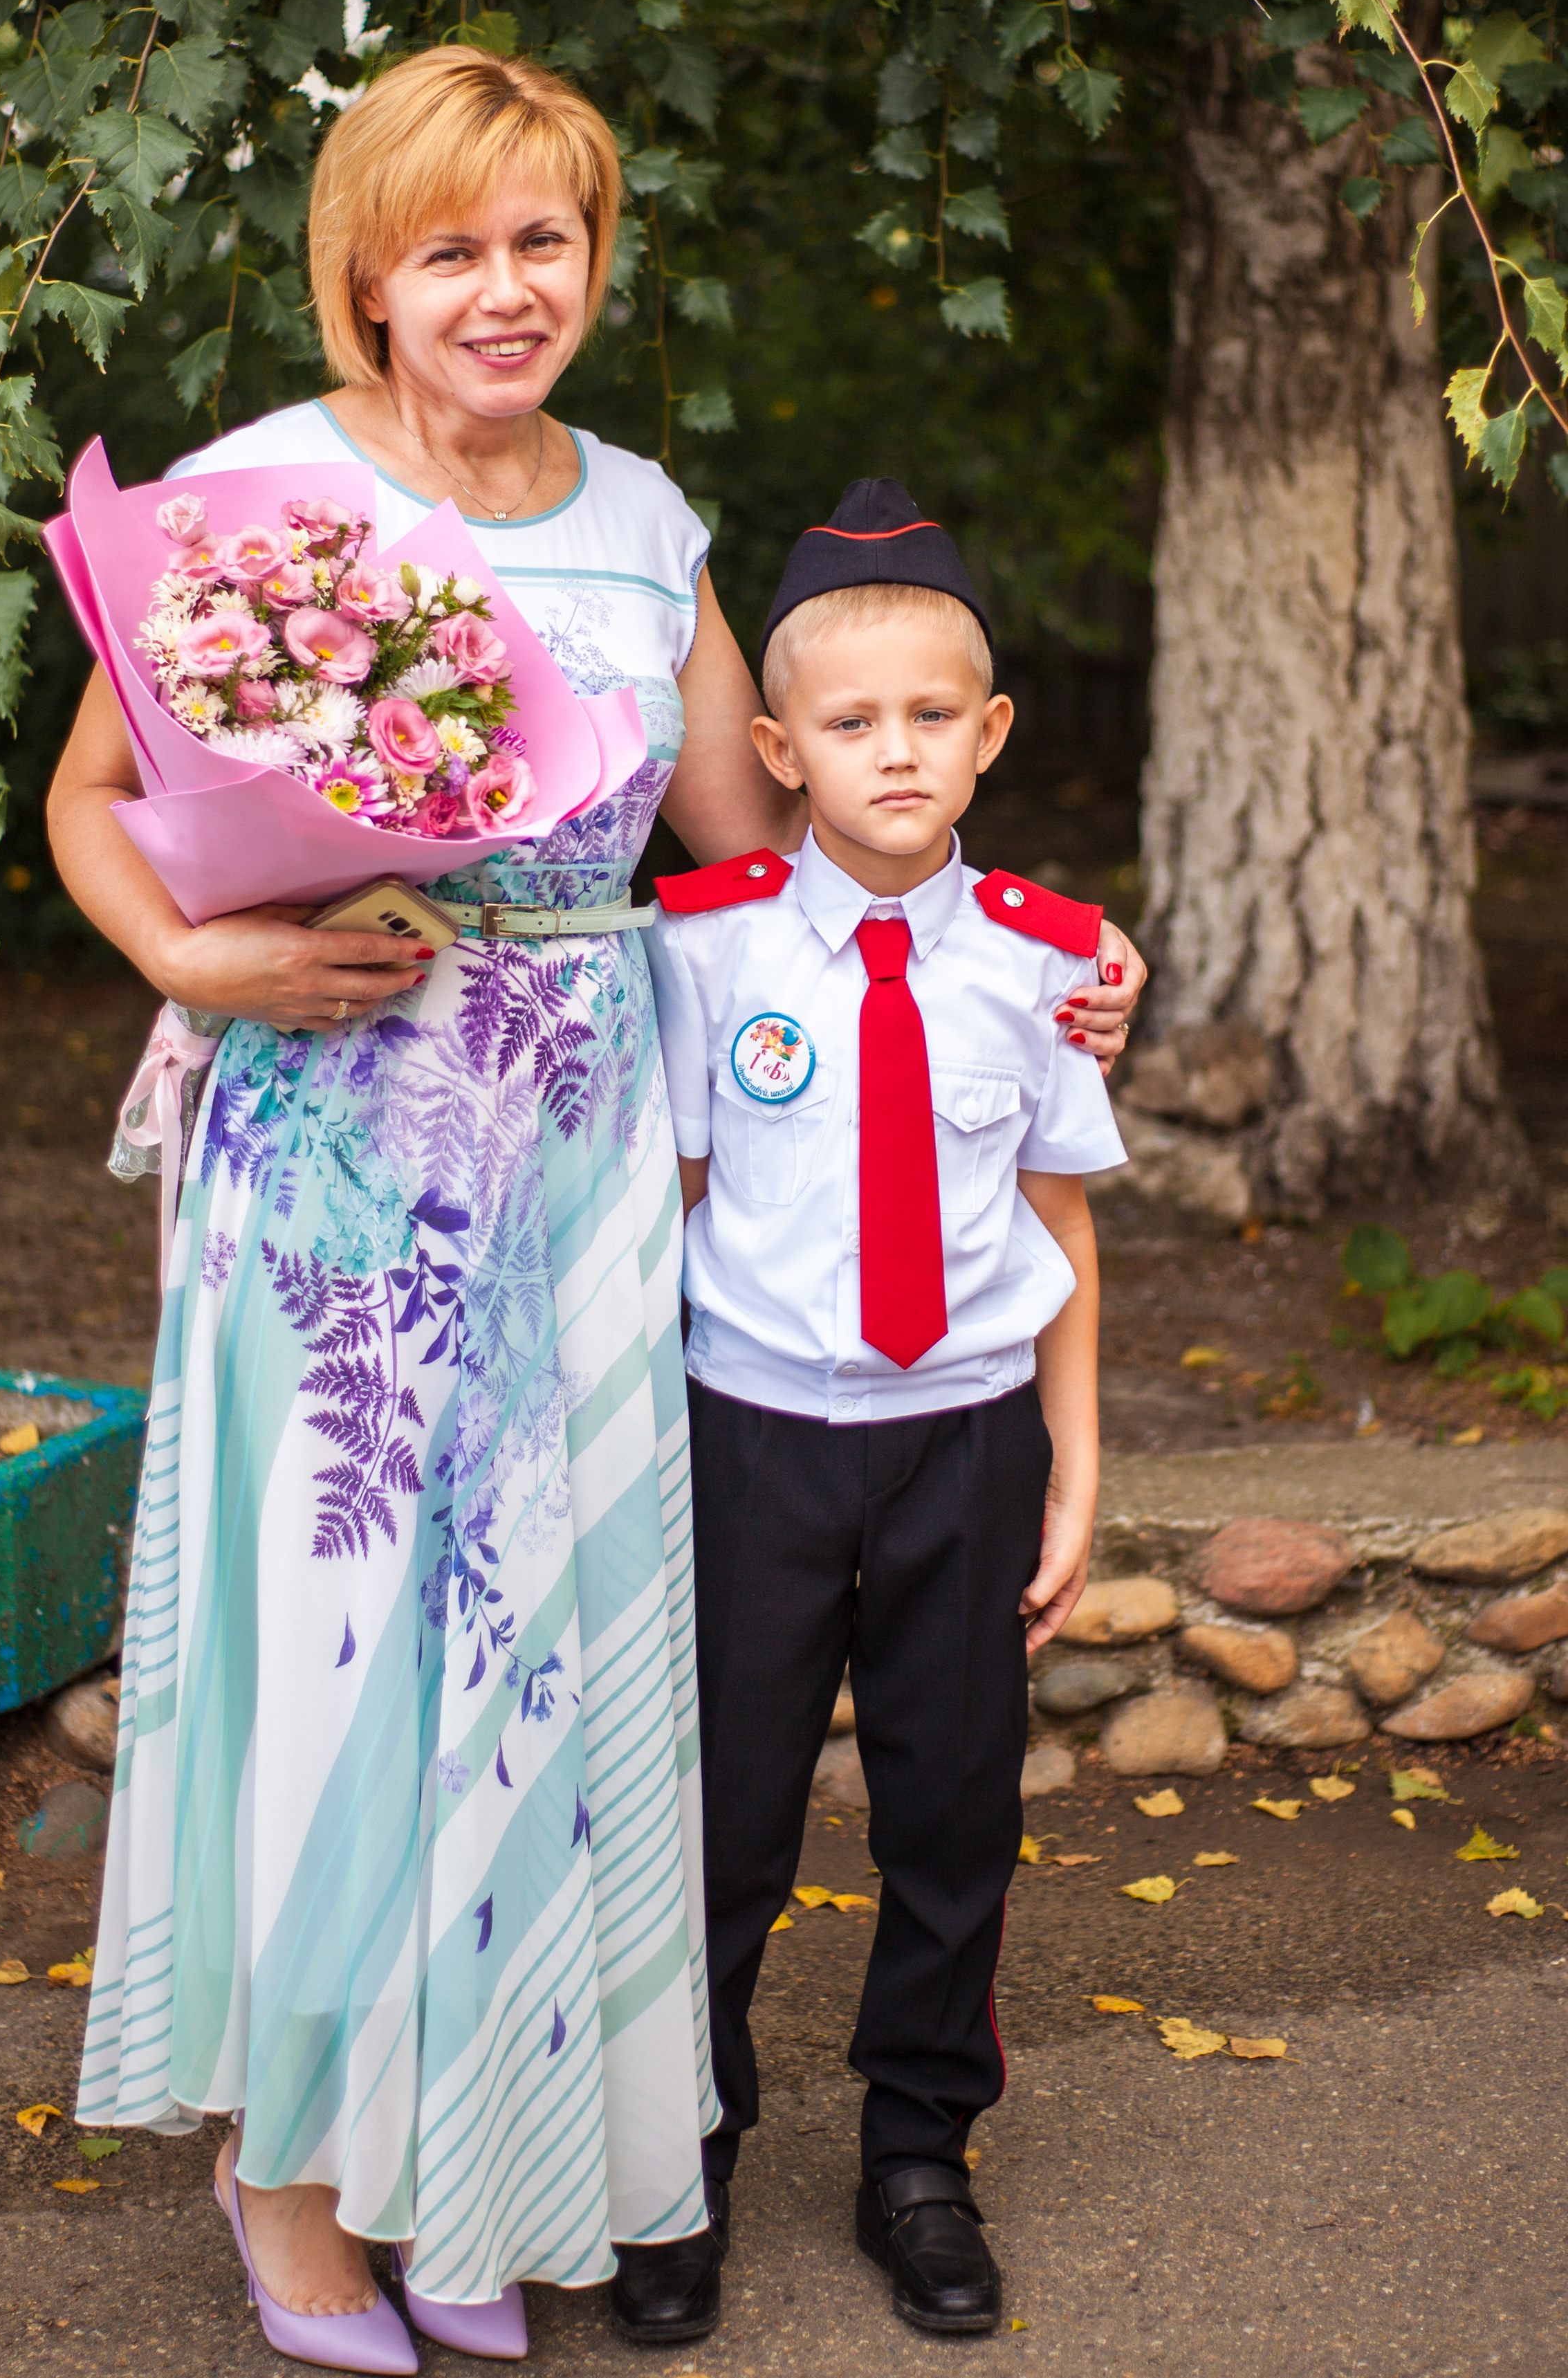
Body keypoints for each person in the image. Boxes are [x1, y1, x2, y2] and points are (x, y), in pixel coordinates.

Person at [46, 48, 1146, 2370]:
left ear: (593, 259)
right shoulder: (259, 488)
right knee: (342, 1668)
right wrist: (185, 951)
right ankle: (292, 2188)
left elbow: (789, 825)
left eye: (544, 241)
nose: (504, 287)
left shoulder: (645, 519)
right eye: (452, 247)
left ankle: (466, 2157)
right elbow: (93, 796)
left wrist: (1054, 956)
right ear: (368, 273)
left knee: (529, 1682)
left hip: (580, 1158)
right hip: (338, 1158)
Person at [643, 478, 1127, 2342]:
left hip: (967, 1440)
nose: (896, 749)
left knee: (952, 1816)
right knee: (722, 1820)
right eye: (850, 723)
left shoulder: (1041, 958)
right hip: (752, 1440)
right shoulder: (706, 944)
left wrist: (1078, 1466)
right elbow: (673, 1205)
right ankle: (676, 2150)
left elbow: (1062, 1223)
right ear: (777, 749)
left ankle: (920, 2150)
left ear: (991, 733)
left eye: (935, 714)